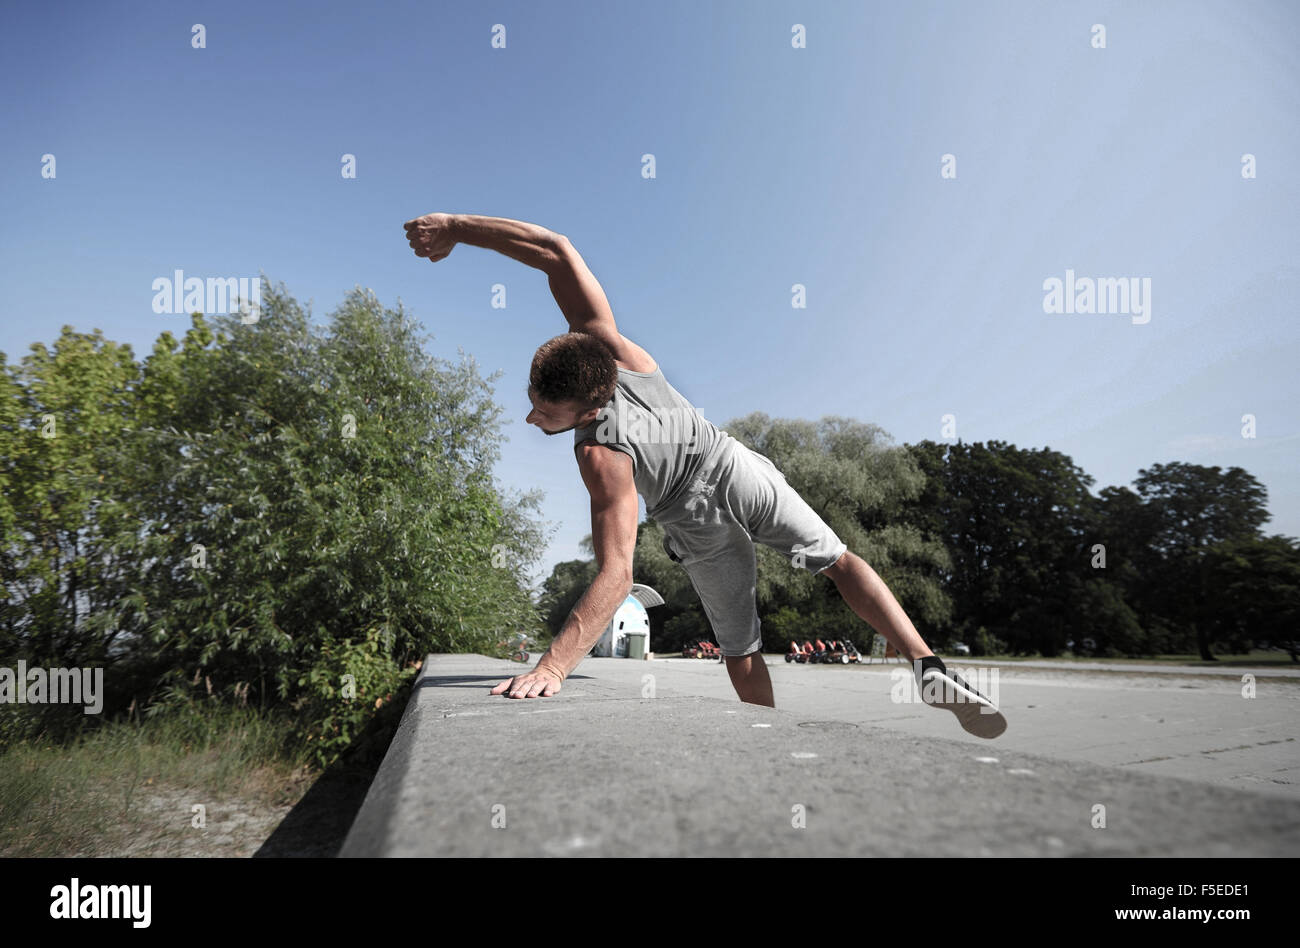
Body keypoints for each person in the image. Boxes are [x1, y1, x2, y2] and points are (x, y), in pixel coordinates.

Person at [403, 212, 1006, 739]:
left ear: (588, 411)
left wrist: (553, 666)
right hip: (734, 465)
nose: (531, 416)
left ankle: (774, 742)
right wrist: (458, 228)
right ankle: (926, 664)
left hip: (695, 522)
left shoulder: (600, 455)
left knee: (740, 651)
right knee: (840, 561)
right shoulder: (610, 350)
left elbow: (618, 574)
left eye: (545, 411)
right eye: (533, 398)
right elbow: (557, 249)